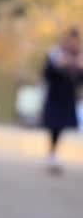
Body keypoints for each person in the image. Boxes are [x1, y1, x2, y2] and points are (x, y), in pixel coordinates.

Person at [42, 28, 83, 173]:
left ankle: (53, 154)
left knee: (60, 127)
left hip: (68, 97)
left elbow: (79, 80)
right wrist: (58, 66)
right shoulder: (55, 54)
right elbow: (46, 73)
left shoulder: (79, 57)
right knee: (53, 125)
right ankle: (51, 154)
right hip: (55, 95)